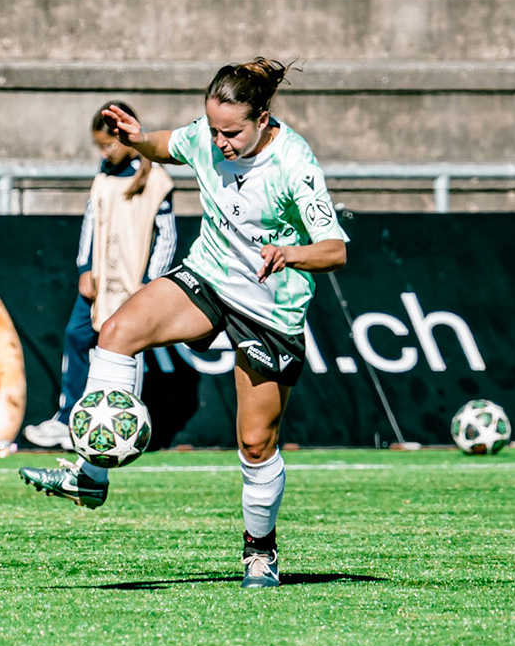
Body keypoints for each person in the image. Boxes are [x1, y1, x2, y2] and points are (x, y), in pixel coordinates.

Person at [18, 59, 349, 589]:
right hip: (209, 278)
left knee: (256, 443)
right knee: (117, 333)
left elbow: (334, 251)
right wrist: (138, 138)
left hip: (269, 308)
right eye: (213, 128)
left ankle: (260, 553)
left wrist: (292, 252)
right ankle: (92, 474)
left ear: (263, 118)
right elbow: (166, 146)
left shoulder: (295, 164)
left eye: (232, 132)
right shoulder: (206, 137)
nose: (219, 142)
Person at [22, 102, 178, 449]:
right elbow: (91, 222)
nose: (105, 151)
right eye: (100, 146)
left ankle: (125, 426)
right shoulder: (104, 172)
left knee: (127, 350)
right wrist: (85, 268)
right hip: (100, 280)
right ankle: (69, 420)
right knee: (77, 337)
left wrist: (152, 281)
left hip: (134, 283)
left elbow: (167, 235)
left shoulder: (156, 180)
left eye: (109, 144)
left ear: (125, 138)